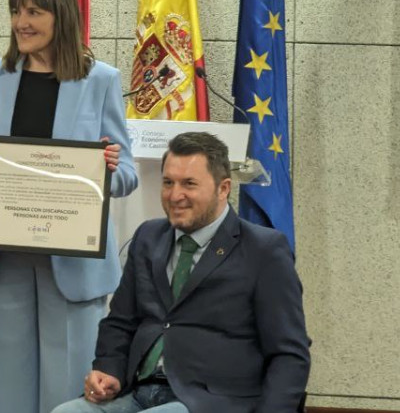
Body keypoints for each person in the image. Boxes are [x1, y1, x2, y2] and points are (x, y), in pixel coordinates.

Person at [0, 0, 139, 413]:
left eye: (33, 12)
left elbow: (127, 173)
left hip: (73, 263)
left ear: (62, 17)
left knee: (69, 391)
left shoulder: (101, 80)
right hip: (4, 260)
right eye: (16, 11)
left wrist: (105, 171)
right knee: (7, 393)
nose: (21, 22)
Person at [52, 132, 310, 413]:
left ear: (223, 188)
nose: (175, 196)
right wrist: (108, 369)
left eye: (189, 184)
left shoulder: (264, 250)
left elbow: (289, 353)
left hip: (211, 402)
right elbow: (120, 322)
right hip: (136, 392)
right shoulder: (148, 236)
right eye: (168, 183)